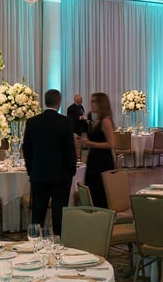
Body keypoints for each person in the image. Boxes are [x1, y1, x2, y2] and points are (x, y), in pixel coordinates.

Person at [22, 89, 77, 234]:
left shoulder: (32, 122)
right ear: (59, 103)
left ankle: (35, 243)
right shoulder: (65, 122)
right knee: (59, 213)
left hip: (39, 175)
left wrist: (31, 170)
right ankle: (58, 244)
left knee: (38, 213)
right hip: (61, 176)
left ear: (44, 102)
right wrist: (72, 170)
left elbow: (26, 149)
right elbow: (69, 150)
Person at [80, 92, 116, 208]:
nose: (91, 104)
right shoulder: (93, 119)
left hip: (103, 160)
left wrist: (92, 143)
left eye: (94, 101)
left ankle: (102, 216)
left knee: (100, 190)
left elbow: (111, 144)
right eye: (91, 101)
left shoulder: (105, 121)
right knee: (91, 188)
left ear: (101, 104)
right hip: (94, 158)